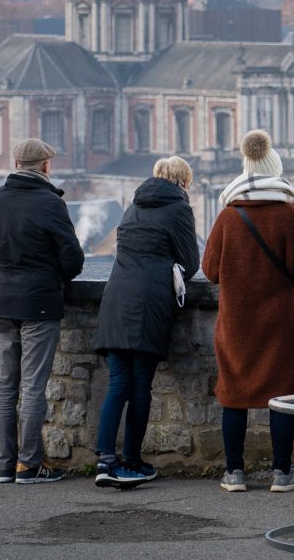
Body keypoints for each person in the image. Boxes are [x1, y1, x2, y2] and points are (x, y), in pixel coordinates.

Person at [203, 130, 294, 494]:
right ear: (277, 171)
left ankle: (234, 472)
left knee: (233, 394)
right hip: (281, 320)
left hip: (236, 320)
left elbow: (209, 271)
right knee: (282, 395)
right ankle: (281, 473)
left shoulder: (227, 217)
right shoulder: (291, 215)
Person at [0, 137, 85, 485]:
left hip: (3, 300)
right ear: (45, 166)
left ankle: (4, 466)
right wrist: (52, 274)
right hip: (39, 301)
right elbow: (73, 258)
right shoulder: (50, 203)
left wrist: (5, 268)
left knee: (5, 386)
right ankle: (29, 464)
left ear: (17, 164)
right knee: (34, 387)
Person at [92, 155, 200, 488]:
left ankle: (105, 460)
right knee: (140, 387)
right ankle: (131, 461)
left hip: (115, 300)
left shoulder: (132, 207)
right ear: (183, 182)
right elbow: (191, 262)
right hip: (148, 303)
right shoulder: (179, 209)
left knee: (117, 385)